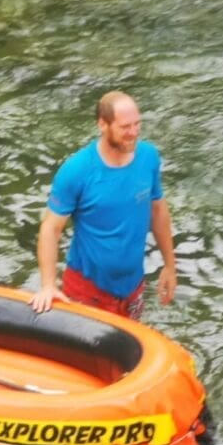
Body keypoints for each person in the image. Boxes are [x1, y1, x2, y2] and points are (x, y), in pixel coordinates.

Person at [30, 90, 175, 320]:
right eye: (125, 127)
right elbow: (50, 228)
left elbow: (158, 210)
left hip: (132, 289)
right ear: (102, 125)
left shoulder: (149, 157)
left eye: (137, 124)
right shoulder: (77, 170)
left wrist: (169, 265)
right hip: (87, 292)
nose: (134, 132)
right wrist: (48, 285)